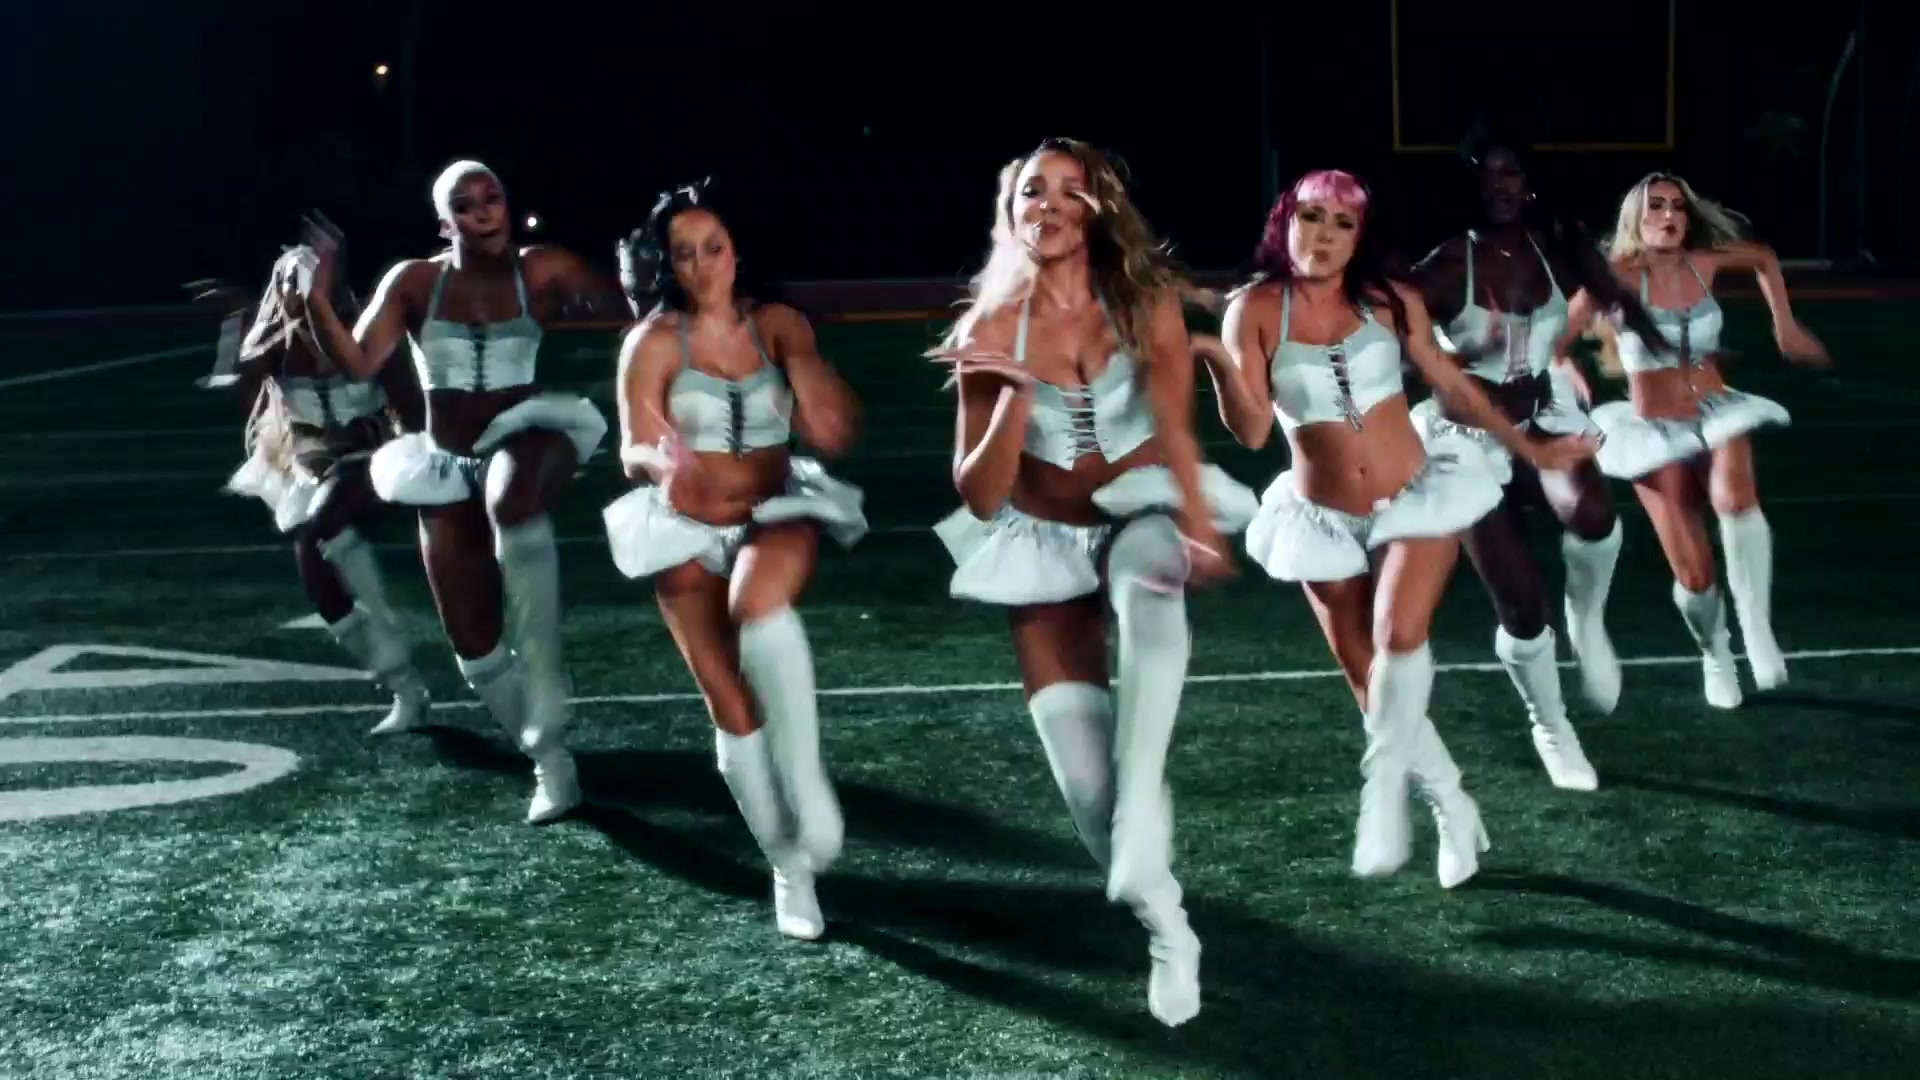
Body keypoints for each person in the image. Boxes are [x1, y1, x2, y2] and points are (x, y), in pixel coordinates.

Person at [931, 137, 1257, 1027]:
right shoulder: (988, 328)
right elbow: (980, 492)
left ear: (1097, 209)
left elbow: (1175, 428)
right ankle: (1168, 927)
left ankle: (1145, 806)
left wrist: (1198, 518)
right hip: (1041, 541)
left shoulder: (1143, 302)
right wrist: (1014, 396)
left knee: (1151, 580)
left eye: (1070, 191)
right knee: (1084, 793)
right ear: (1011, 214)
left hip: (1138, 506)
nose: (1049, 204)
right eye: (1032, 192)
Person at [1201, 169, 1596, 889]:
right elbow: (1254, 431)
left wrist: (1531, 448)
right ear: (1285, 222)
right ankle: (1450, 803)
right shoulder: (1252, 310)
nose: (1323, 236)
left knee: (1398, 635)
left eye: (1342, 223)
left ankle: (1382, 792)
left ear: (1360, 238)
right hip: (1320, 516)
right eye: (1311, 217)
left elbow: (1453, 386)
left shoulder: (1389, 299)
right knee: (1368, 680)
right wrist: (1214, 364)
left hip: (1416, 494)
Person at [300, 159, 628, 823]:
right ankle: (550, 762)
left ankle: (547, 682)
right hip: (446, 462)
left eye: (492, 197)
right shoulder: (414, 281)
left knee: (511, 496)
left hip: (528, 434)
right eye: (465, 204)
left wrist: (639, 273)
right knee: (473, 648)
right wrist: (314, 299)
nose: (483, 211)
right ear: (444, 223)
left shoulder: (543, 268)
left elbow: (635, 309)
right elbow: (358, 363)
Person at [604, 181, 864, 941]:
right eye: (683, 253)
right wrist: (660, 463)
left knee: (756, 605)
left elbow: (830, 420)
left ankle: (811, 791)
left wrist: (815, 395)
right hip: (684, 528)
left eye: (712, 247)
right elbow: (633, 443)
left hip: (774, 513)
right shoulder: (653, 341)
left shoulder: (777, 324)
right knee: (732, 707)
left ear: (737, 250)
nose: (700, 264)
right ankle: (788, 867)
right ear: (667, 263)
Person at [1405, 137, 1670, 790]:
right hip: (1467, 436)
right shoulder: (1445, 267)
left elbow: (1613, 295)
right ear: (1467, 186)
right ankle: (1551, 727)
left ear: (1529, 181)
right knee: (1523, 608)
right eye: (1486, 174)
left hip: (1543, 409)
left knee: (1594, 514)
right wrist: (1456, 359)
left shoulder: (1557, 242)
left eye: (1511, 171)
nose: (1500, 184)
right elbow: (1398, 355)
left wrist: (1657, 344)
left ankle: (1589, 622)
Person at [1575, 171, 1830, 707]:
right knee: (1694, 574)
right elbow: (1556, 340)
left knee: (1736, 497)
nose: (1669, 216)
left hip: (1716, 408)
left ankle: (1757, 632)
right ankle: (1716, 653)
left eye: (1677, 206)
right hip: (1652, 431)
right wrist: (1566, 375)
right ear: (1636, 219)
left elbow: (1762, 257)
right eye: (1656, 206)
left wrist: (1784, 325)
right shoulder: (1617, 276)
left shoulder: (1705, 261)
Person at [193, 243, 430, 736]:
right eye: (289, 282)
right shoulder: (271, 343)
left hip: (371, 455)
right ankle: (402, 685)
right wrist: (237, 323)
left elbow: (410, 406)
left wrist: (414, 456)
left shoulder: (365, 328)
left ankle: (388, 637)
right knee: (318, 580)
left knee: (327, 518)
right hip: (312, 465)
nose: (298, 292)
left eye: (309, 281)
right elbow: (243, 396)